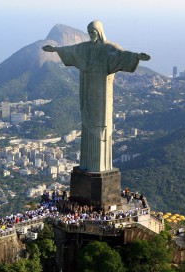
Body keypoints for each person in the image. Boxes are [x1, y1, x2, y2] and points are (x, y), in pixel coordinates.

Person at [43, 20, 150, 172]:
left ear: (99, 31)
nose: (90, 35)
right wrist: (54, 49)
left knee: (101, 125)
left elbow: (122, 55)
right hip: (87, 91)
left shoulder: (109, 49)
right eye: (89, 32)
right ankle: (88, 164)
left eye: (93, 32)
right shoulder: (85, 48)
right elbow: (71, 50)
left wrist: (137, 57)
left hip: (102, 94)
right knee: (87, 124)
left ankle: (100, 166)